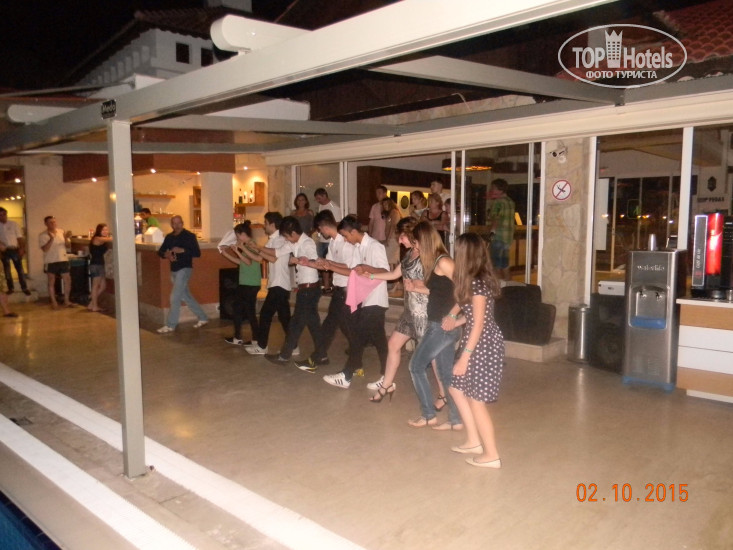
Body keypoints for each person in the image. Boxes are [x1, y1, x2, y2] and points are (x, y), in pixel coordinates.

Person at [443, 232, 504, 468]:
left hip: (482, 344)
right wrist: (457, 319)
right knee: (456, 388)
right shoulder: (475, 280)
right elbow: (476, 315)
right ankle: (473, 441)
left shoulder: (477, 283)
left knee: (476, 400)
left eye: (457, 250)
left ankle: (491, 455)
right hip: (478, 339)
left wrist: (465, 358)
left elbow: (479, 323)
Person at [405, 221, 462, 429]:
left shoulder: (444, 261)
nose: (415, 247)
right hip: (439, 324)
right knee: (446, 374)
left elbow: (467, 289)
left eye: (416, 243)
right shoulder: (434, 262)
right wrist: (416, 287)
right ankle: (456, 420)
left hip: (442, 326)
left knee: (415, 366)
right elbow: (440, 292)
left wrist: (453, 315)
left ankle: (428, 415)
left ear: (424, 241)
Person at [321, 215, 389, 389]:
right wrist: (330, 265)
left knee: (358, 337)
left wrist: (366, 268)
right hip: (366, 298)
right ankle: (387, 379)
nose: (345, 239)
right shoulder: (359, 247)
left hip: (376, 299)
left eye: (345, 236)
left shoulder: (375, 246)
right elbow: (353, 271)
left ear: (353, 232)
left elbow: (385, 271)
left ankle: (347, 375)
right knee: (380, 340)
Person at [294, 209, 355, 373]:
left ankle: (320, 358)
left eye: (320, 229)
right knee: (339, 326)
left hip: (347, 290)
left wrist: (329, 265)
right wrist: (308, 262)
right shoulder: (333, 243)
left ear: (324, 226)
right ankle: (324, 357)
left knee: (334, 326)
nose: (320, 233)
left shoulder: (345, 241)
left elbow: (350, 268)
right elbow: (326, 265)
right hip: (339, 290)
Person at [265, 216, 324, 364]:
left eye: (286, 236)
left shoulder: (307, 243)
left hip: (309, 289)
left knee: (295, 324)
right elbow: (277, 252)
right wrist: (258, 248)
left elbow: (315, 261)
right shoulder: (294, 243)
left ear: (293, 233)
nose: (285, 239)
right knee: (313, 325)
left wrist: (298, 260)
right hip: (306, 288)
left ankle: (284, 356)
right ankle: (323, 355)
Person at [243, 212, 294, 356]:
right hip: (277, 284)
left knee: (266, 314)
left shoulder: (280, 240)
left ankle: (262, 346)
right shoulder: (272, 240)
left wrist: (257, 247)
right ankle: (294, 345)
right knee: (285, 318)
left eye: (265, 223)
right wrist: (247, 248)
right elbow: (260, 258)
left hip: (279, 284)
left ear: (272, 224)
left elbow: (273, 258)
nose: (264, 226)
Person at [156, 215, 208, 333]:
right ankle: (203, 317)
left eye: (179, 223)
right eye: (174, 223)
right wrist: (166, 255)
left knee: (174, 297)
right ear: (171, 225)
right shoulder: (169, 237)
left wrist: (182, 250)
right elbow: (160, 251)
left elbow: (197, 253)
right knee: (186, 296)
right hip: (174, 269)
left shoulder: (189, 236)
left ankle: (170, 325)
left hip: (185, 269)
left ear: (182, 223)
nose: (177, 225)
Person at [219, 221, 261, 346]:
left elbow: (248, 262)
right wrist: (225, 253)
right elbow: (241, 262)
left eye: (237, 236)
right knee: (239, 309)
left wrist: (238, 250)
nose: (237, 239)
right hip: (247, 283)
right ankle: (240, 337)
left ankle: (254, 338)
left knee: (248, 311)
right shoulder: (246, 245)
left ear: (243, 234)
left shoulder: (251, 245)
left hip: (250, 283)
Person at [38, 216, 72, 309]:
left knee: (67, 280)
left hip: (63, 259)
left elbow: (68, 246)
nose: (53, 224)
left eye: (54, 222)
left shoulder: (61, 231)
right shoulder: (43, 235)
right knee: (51, 281)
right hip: (51, 260)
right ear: (46, 224)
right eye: (50, 222)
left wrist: (66, 238)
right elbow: (45, 249)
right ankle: (54, 302)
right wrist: (51, 239)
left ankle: (66, 301)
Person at [313, 188, 342, 294]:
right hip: (322, 240)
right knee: (324, 262)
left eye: (319, 198)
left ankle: (332, 285)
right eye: (316, 199)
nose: (318, 201)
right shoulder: (321, 206)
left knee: (334, 262)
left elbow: (337, 223)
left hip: (329, 240)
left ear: (325, 195)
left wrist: (327, 234)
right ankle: (326, 285)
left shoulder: (334, 207)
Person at [486, 178, 516, 281]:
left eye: (493, 188)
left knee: (496, 266)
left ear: (500, 189)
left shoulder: (498, 202)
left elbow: (496, 219)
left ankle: (498, 288)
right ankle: (509, 286)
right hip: (508, 238)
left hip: (498, 237)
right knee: (505, 265)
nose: (491, 190)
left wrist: (491, 234)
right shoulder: (511, 202)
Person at [0, 207, 30, 295]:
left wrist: (22, 248)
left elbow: (19, 237)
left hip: (14, 249)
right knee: (7, 271)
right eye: (0, 215)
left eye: (4, 214)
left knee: (20, 270)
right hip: (4, 251)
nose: (2, 216)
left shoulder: (13, 224)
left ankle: (24, 288)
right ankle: (11, 288)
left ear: (6, 214)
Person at [87, 223, 112, 313]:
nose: (105, 231)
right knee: (96, 285)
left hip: (99, 264)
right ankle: (95, 306)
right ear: (99, 231)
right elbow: (110, 239)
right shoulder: (97, 238)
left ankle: (91, 304)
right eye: (103, 230)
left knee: (103, 286)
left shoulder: (100, 239)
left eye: (106, 230)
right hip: (96, 265)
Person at [381, 197, 402, 271]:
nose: (385, 206)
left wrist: (388, 239)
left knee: (392, 259)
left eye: (386, 204)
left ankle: (394, 276)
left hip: (393, 238)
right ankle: (393, 275)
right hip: (391, 238)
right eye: (383, 204)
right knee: (391, 259)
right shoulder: (390, 213)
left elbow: (393, 226)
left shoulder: (394, 212)